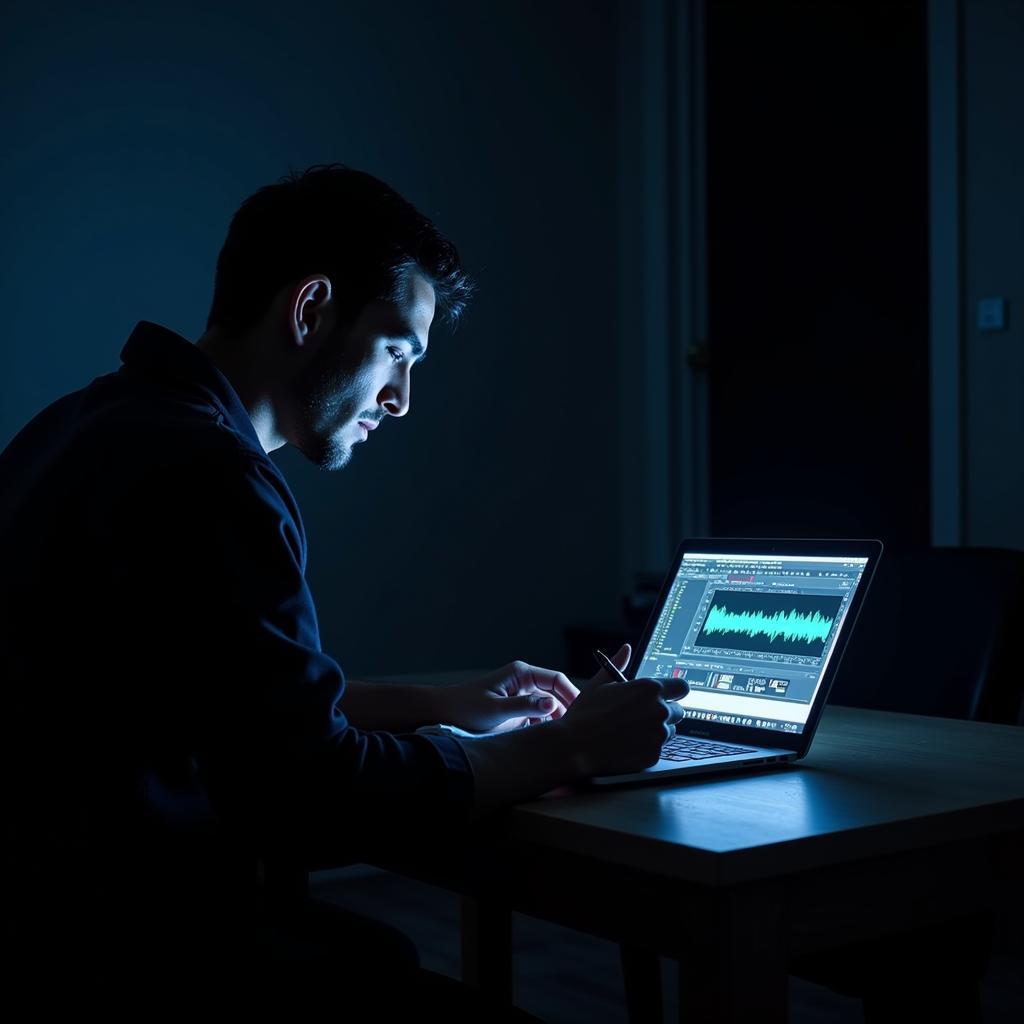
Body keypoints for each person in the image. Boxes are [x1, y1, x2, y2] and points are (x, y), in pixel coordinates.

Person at [0, 164, 685, 987]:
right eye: (398, 351)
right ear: (312, 309)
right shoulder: (212, 476)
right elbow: (312, 792)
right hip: (124, 938)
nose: (401, 398)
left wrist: (440, 705)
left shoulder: (75, 428)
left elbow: (219, 707)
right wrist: (569, 748)